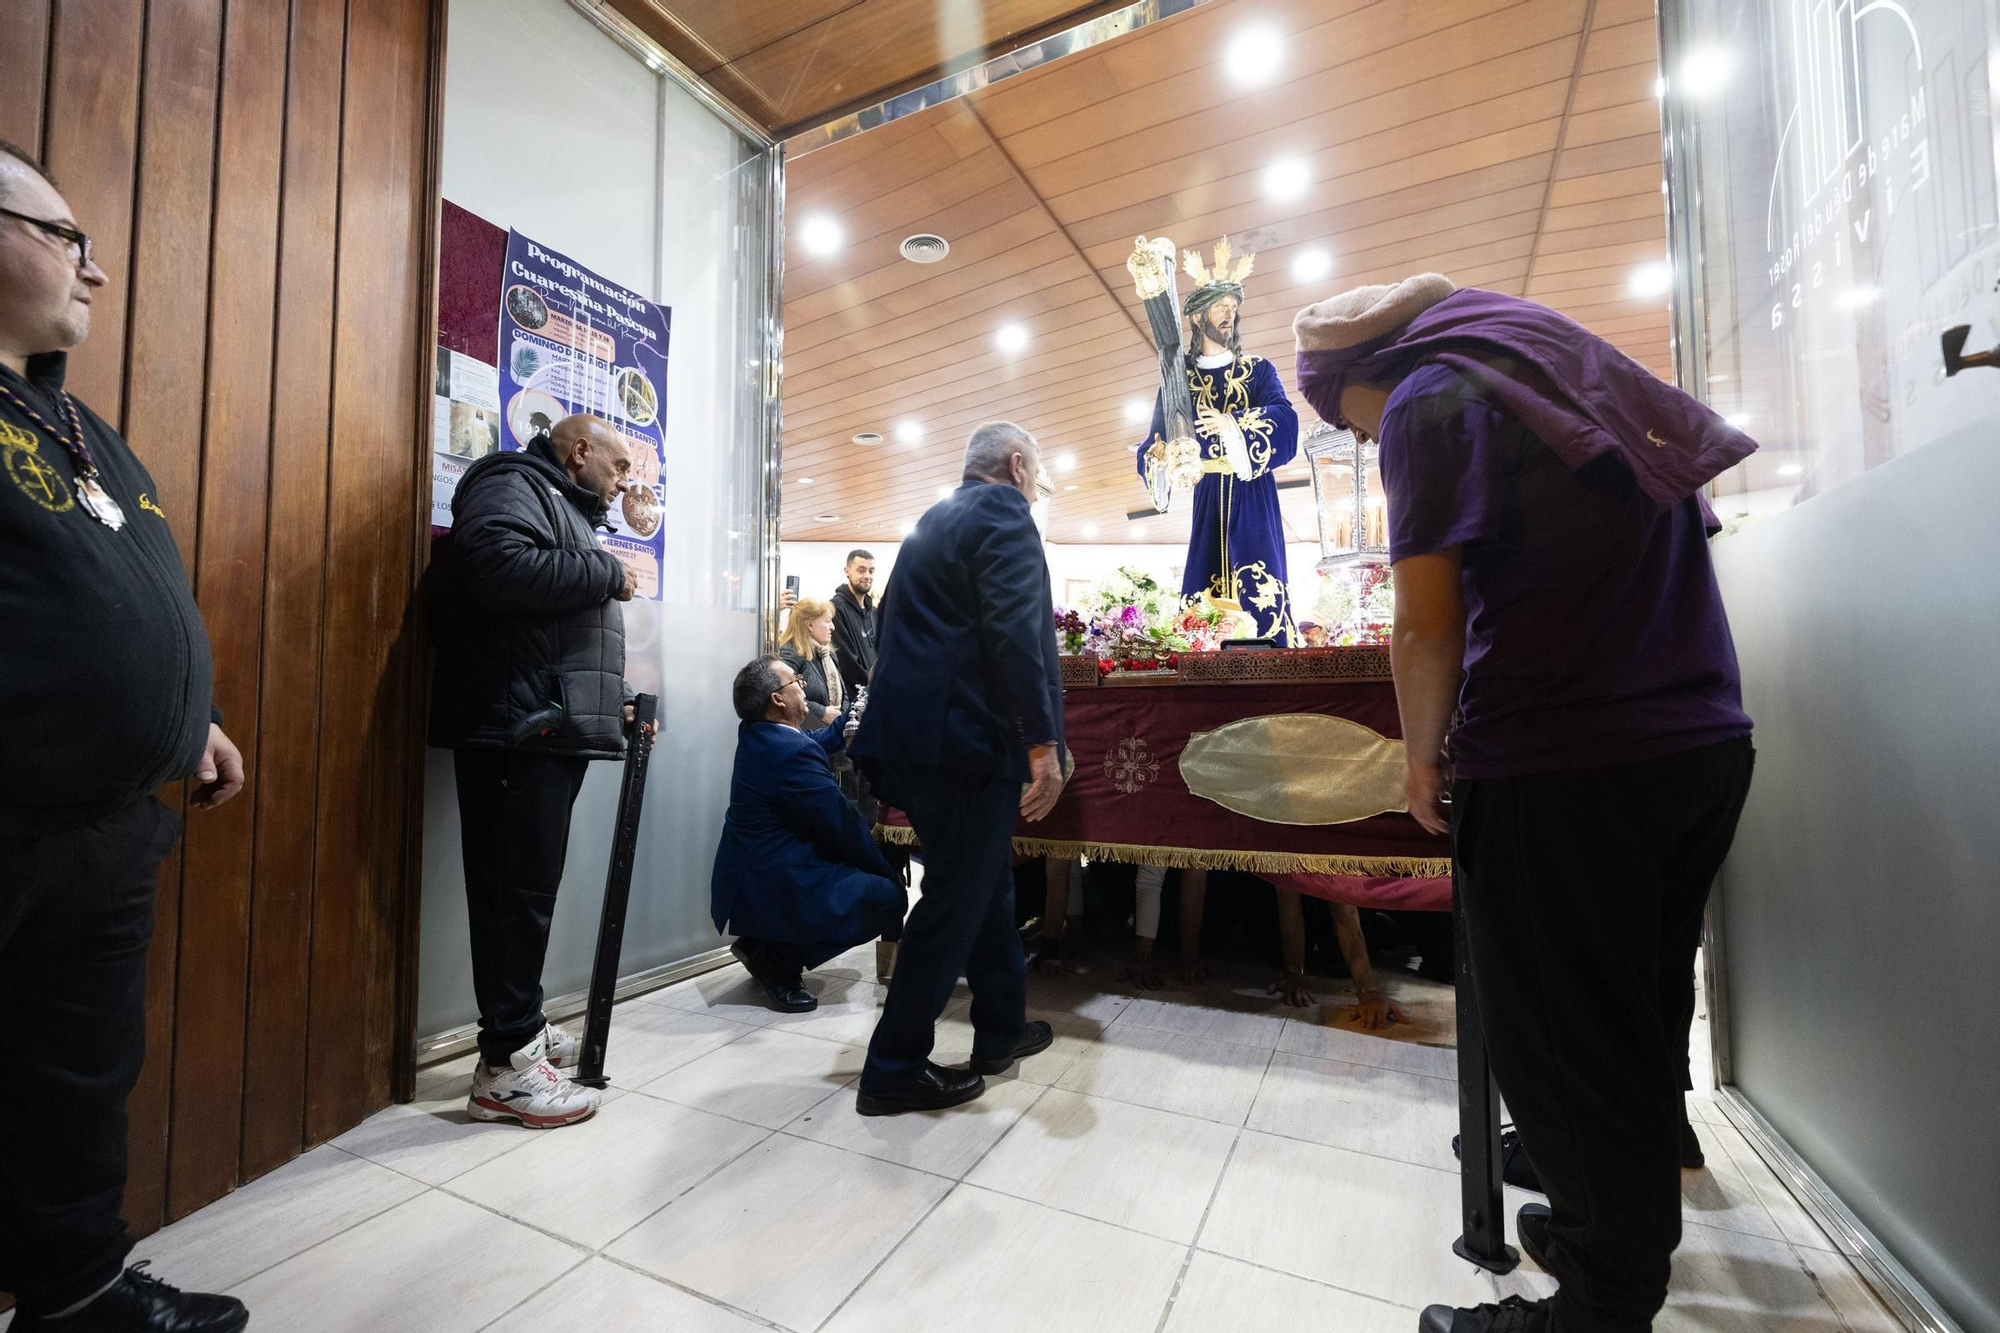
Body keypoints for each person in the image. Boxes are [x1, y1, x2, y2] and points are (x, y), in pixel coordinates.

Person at [1294, 275, 1756, 1333]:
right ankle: (1612, 1191)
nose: (1364, 445)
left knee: (1558, 1036)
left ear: (1351, 382)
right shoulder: (1562, 369)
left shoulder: (1426, 395)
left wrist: (1418, 761)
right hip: (1694, 745)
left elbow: (1423, 617)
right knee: (1628, 1005)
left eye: (1345, 428)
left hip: (1564, 756)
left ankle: (1597, 1302)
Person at [0, 140, 250, 1333]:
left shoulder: (75, 424)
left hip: (103, 826)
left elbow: (114, 595)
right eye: (65, 237)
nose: (92, 273)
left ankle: (76, 1298)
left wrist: (185, 712)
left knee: (75, 1080)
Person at [851, 421, 1067, 1115]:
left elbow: (891, 633)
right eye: (1036, 472)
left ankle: (1000, 1028)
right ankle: (892, 1067)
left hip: (917, 741)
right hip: (965, 742)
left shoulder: (935, 516)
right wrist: (1041, 743)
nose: (1036, 486)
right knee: (953, 897)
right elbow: (1013, 634)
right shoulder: (1006, 511)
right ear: (1016, 465)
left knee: (982, 885)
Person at [429, 411, 637, 1131]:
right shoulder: (513, 482)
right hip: (519, 728)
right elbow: (493, 566)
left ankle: (519, 1028)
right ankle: (506, 1070)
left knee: (526, 890)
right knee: (515, 893)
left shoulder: (561, 504)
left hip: (540, 726)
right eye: (617, 466)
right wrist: (608, 571)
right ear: (578, 453)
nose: (623, 481)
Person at [711, 657, 906, 1011]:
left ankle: (764, 943)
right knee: (889, 897)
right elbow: (842, 822)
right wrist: (883, 867)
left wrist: (856, 713)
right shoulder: (790, 752)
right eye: (796, 681)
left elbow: (815, 741)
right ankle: (778, 959)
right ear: (778, 699)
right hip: (775, 879)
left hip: (752, 876)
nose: (803, 686)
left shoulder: (761, 734)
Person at [1136, 237, 1300, 642]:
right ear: (1196, 318)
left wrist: (1233, 424)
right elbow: (1151, 444)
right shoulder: (1178, 381)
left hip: (1254, 494)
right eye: (1221, 307)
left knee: (1260, 592)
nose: (1230, 316)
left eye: (1233, 308)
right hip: (1207, 494)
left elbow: (1287, 420)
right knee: (1202, 606)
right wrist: (1163, 459)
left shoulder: (1258, 370)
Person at [777, 596, 845, 727]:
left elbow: (844, 695)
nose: (833, 627)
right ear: (810, 625)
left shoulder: (828, 654)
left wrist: (840, 718)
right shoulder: (790, 653)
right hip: (807, 733)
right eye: (828, 621)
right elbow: (785, 695)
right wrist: (821, 712)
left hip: (832, 732)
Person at [829, 548, 877, 697]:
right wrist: (873, 686)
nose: (867, 576)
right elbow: (847, 662)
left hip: (876, 692)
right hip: (854, 698)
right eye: (861, 570)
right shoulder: (836, 608)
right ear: (847, 571)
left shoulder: (873, 612)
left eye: (871, 571)